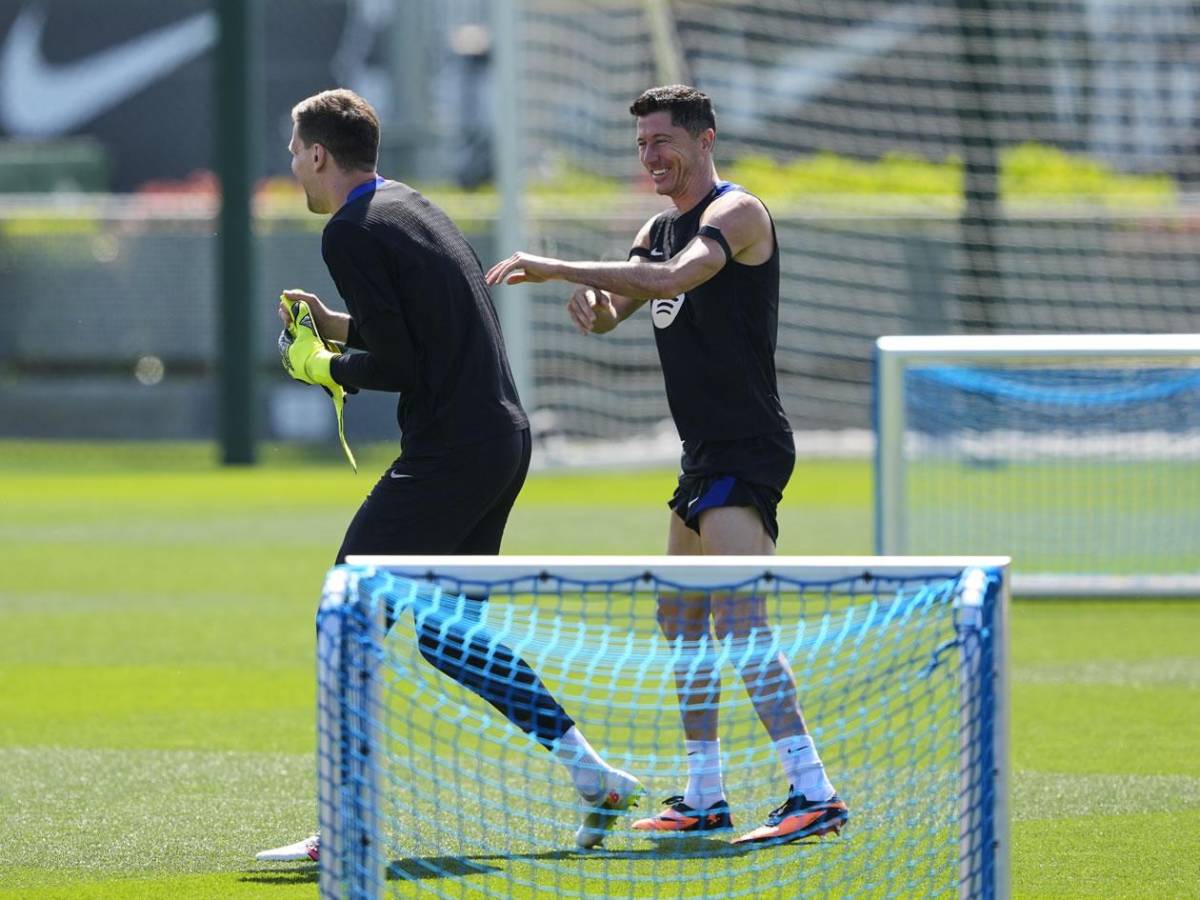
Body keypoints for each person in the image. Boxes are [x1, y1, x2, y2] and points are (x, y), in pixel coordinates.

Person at [256, 89, 642, 863]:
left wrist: (321, 364)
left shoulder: (349, 232)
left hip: (453, 453)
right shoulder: (407, 205)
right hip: (501, 440)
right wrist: (336, 326)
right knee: (447, 636)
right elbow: (424, 329)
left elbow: (398, 363)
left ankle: (345, 823)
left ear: (321, 156)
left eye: (295, 150)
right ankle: (594, 776)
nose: (291, 162)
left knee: (348, 614)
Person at [485, 85, 848, 848]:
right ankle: (705, 796)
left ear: (705, 138)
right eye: (642, 143)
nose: (651, 155)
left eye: (663, 141)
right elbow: (626, 297)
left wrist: (555, 266)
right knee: (681, 616)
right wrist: (592, 302)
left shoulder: (736, 214)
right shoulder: (656, 228)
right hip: (702, 454)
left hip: (746, 445)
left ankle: (813, 790)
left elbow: (676, 278)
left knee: (741, 619)